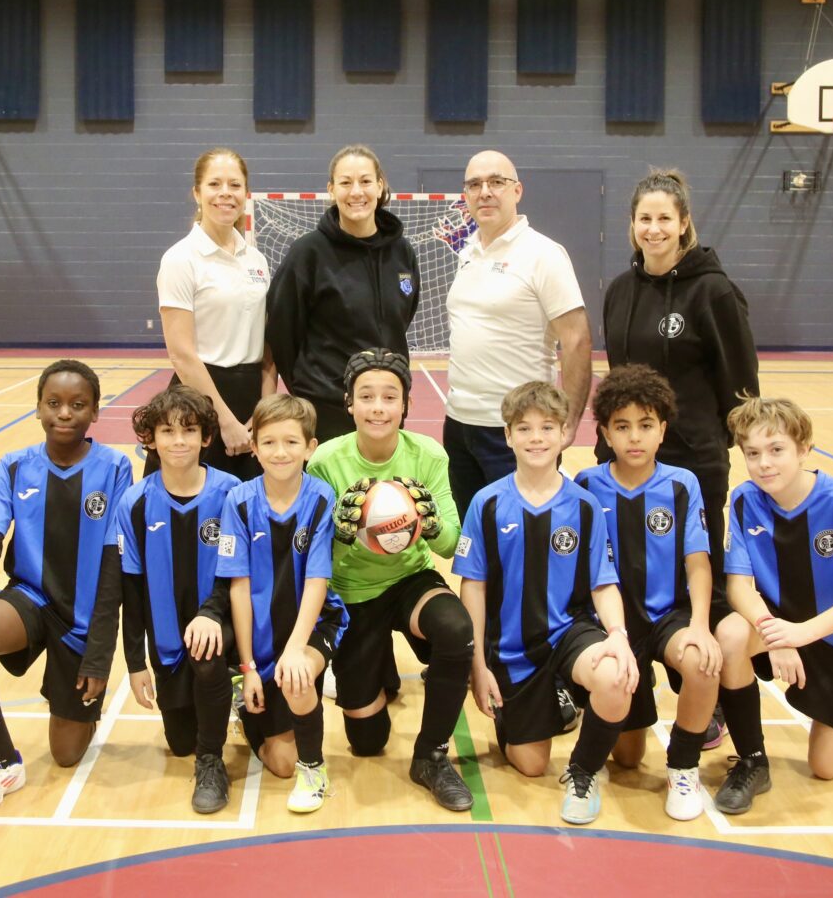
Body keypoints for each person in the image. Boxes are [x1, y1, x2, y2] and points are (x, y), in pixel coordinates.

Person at [599, 167, 759, 748]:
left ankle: (704, 692)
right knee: (625, 573)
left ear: (684, 223)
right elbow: (619, 379)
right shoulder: (619, 291)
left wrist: (720, 448)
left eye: (665, 217)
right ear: (632, 225)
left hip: (693, 464)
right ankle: (629, 682)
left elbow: (741, 382)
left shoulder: (713, 290)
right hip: (624, 463)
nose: (654, 228)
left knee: (696, 574)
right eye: (644, 218)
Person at [0, 360, 132, 816]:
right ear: (38, 409)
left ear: (95, 413)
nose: (65, 413)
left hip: (83, 617)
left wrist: (99, 655)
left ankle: (81, 706)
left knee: (66, 754)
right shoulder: (14, 466)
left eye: (77, 404)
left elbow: (113, 569)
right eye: (54, 403)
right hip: (31, 597)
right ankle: (4, 763)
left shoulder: (117, 467)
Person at [453, 381, 638, 826]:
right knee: (530, 763)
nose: (536, 437)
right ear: (508, 436)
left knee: (615, 677)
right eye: (525, 428)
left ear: (563, 435)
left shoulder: (586, 505)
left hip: (569, 633)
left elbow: (603, 583)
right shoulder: (488, 503)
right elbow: (472, 589)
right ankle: (555, 703)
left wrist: (619, 636)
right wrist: (478, 666)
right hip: (513, 649)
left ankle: (582, 771)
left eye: (547, 427)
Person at [307, 349, 474, 812]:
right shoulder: (325, 460)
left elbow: (450, 549)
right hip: (352, 592)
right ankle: (376, 667)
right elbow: (315, 557)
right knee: (367, 742)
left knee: (457, 630)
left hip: (409, 580)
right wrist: (342, 534)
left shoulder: (429, 454)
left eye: (389, 397)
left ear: (406, 406)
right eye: (366, 397)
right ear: (349, 403)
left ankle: (431, 757)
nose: (378, 407)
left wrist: (433, 523)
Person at [710, 396, 833, 815]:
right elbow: (738, 586)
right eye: (752, 454)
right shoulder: (744, 499)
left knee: (825, 768)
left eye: (776, 450)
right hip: (778, 628)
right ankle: (752, 760)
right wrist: (776, 634)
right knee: (731, 635)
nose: (764, 463)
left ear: (804, 449)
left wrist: (802, 634)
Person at [572, 364, 722, 821]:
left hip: (668, 617)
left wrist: (700, 625)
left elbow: (697, 562)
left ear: (662, 430)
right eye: (622, 426)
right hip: (614, 626)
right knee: (628, 758)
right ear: (604, 433)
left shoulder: (682, 485)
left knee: (701, 662)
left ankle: (683, 766)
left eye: (646, 425)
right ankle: (602, 747)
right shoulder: (586, 486)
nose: (634, 437)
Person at [105, 385, 241, 814]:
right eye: (167, 431)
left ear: (206, 438)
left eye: (189, 430)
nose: (178, 441)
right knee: (179, 742)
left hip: (219, 624)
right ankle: (207, 727)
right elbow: (130, 588)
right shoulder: (135, 502)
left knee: (208, 658)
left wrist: (209, 616)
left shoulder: (231, 492)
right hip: (165, 640)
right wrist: (134, 664)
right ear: (150, 439)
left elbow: (237, 573)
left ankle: (213, 761)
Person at [442, 150, 593, 521]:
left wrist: (569, 421)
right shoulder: (468, 252)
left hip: (516, 431)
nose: (485, 192)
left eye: (496, 182)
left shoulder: (544, 254)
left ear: (517, 191)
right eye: (474, 184)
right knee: (476, 540)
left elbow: (576, 340)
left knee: (524, 542)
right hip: (460, 427)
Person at [216, 394, 347, 813]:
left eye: (292, 442)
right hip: (259, 635)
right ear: (253, 447)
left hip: (310, 624)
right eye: (269, 442)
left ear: (310, 448)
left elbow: (316, 581)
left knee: (298, 676)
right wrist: (248, 667)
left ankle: (316, 771)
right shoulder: (238, 501)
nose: (280, 452)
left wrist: (296, 649)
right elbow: (238, 586)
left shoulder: (322, 498)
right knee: (278, 764)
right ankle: (250, 709)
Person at [265, 145, 421, 443]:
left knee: (381, 490)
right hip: (325, 408)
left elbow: (402, 316)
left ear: (380, 186)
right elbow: (282, 332)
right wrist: (315, 386)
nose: (356, 192)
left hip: (385, 409)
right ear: (332, 190)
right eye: (345, 182)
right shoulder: (308, 252)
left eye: (365, 181)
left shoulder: (402, 252)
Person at [154, 147, 275, 481]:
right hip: (199, 400)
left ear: (245, 193)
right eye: (214, 184)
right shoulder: (181, 259)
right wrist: (224, 420)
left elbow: (267, 347)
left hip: (250, 398)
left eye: (234, 185)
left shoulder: (256, 260)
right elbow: (181, 354)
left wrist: (262, 414)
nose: (225, 193)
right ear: (197, 193)